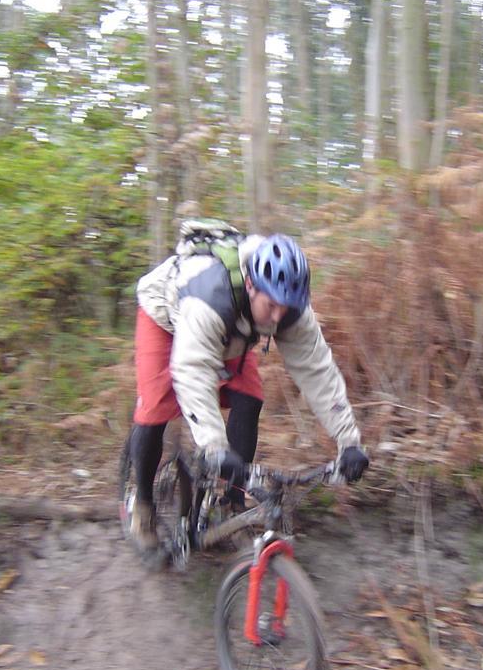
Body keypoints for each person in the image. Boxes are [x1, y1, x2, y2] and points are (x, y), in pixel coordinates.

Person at [127, 223, 369, 555]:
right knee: (155, 409)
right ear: (252, 285)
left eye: (287, 307)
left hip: (233, 329)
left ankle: (231, 503)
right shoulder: (210, 298)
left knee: (249, 398)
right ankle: (142, 506)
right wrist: (214, 447)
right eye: (272, 305)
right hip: (165, 316)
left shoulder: (288, 307)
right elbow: (193, 371)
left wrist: (349, 441)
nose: (278, 316)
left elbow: (318, 372)